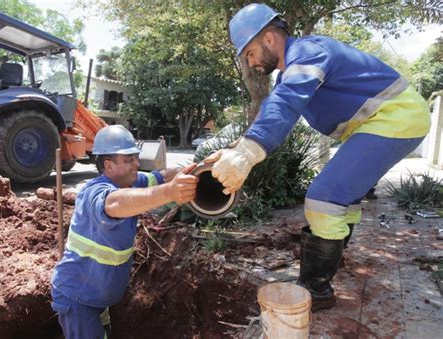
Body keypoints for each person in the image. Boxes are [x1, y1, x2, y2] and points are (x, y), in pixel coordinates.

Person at [206, 3, 430, 311]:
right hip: (381, 121)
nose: (251, 62)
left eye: (250, 53)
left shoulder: (308, 52)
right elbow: (281, 114)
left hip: (395, 117)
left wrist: (248, 152)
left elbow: (284, 104)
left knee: (323, 198)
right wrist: (236, 149)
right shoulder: (292, 73)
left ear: (269, 39)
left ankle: (315, 289)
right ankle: (332, 263)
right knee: (342, 200)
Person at [51, 125, 198, 338]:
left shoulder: (130, 182)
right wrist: (169, 193)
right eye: (129, 159)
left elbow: (162, 176)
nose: (137, 164)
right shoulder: (95, 192)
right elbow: (113, 204)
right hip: (78, 297)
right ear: (108, 165)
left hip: (99, 295)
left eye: (135, 158)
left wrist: (199, 169)